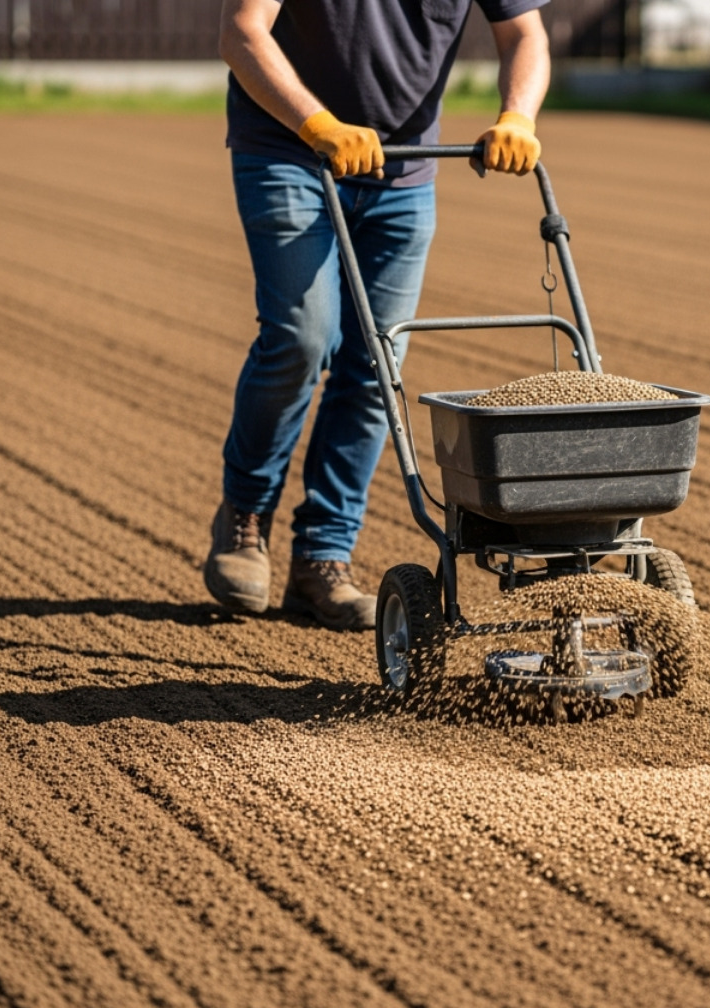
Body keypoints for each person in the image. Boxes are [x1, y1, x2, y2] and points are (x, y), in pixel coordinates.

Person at [206, 0, 550, 628]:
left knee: (376, 364)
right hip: (288, 150)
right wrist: (317, 123)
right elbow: (241, 31)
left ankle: (322, 558)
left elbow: (524, 34)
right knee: (301, 337)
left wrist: (517, 117)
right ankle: (245, 516)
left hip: (403, 171)